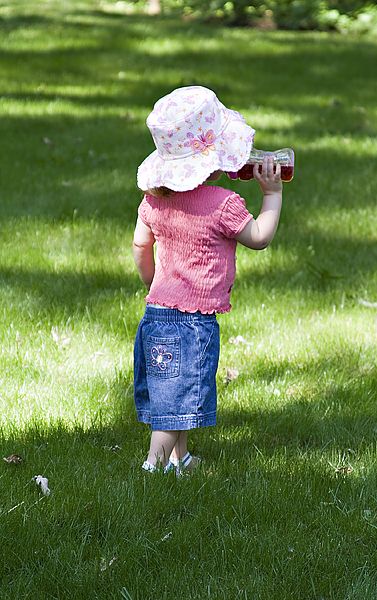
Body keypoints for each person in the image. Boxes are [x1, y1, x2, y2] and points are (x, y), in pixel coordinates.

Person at [132, 86, 283, 477]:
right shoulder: (223, 204)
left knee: (173, 388)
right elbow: (259, 238)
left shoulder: (153, 201)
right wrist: (273, 195)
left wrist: (153, 284)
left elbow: (140, 246)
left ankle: (179, 461)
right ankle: (153, 465)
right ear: (215, 161)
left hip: (156, 313)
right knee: (174, 397)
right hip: (192, 322)